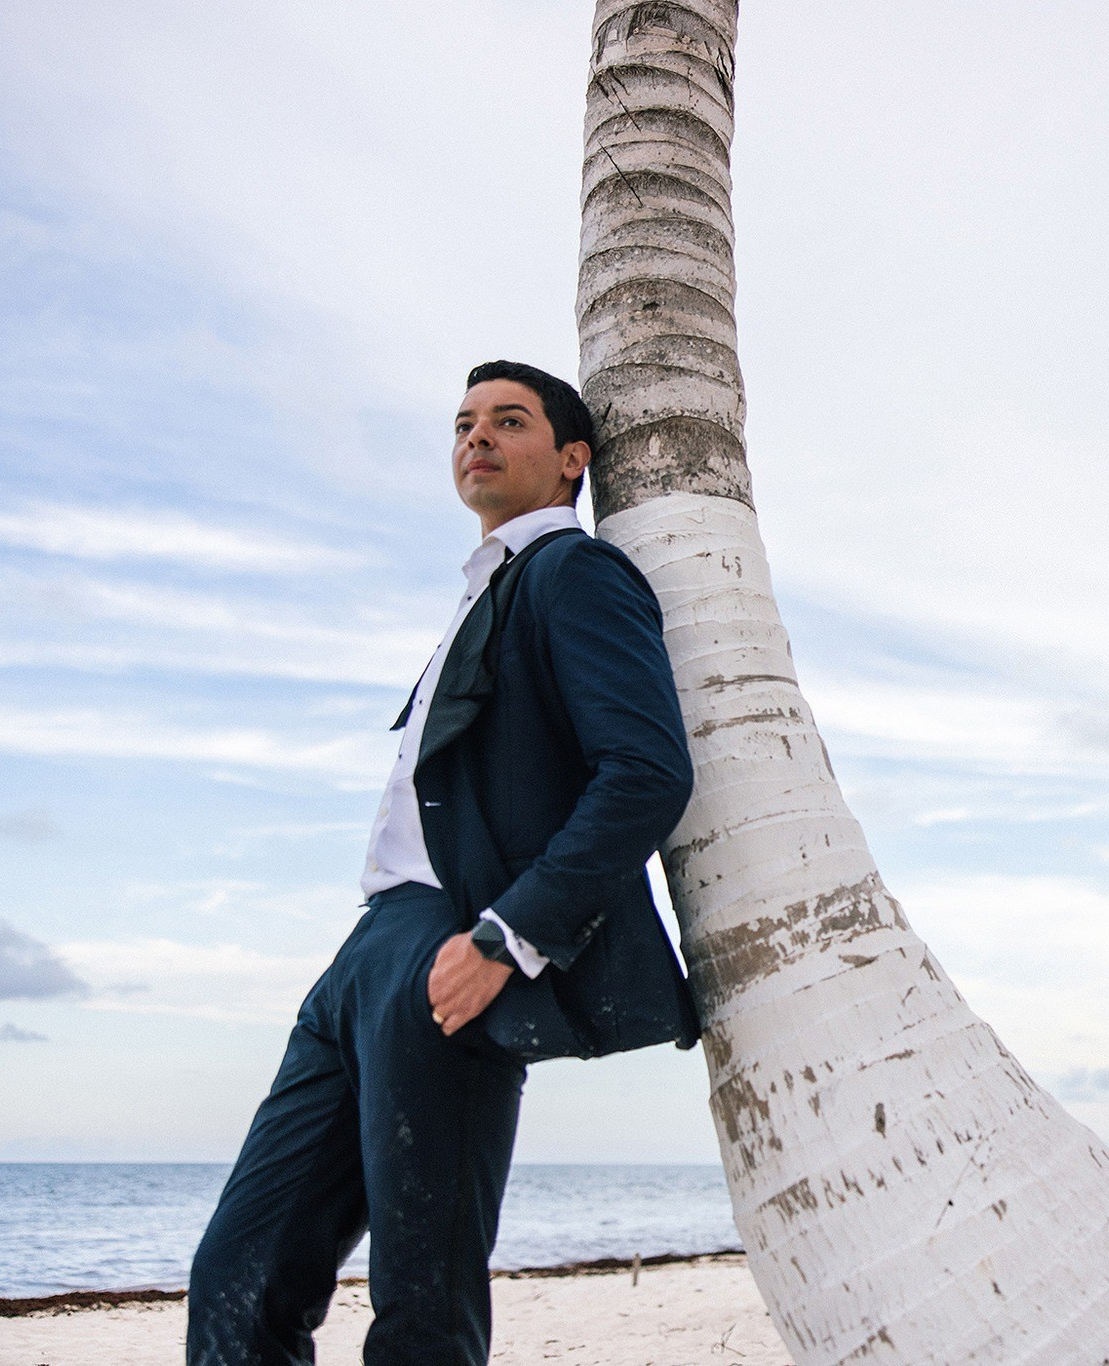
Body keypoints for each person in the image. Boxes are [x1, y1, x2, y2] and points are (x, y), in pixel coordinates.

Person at [188, 361, 699, 1364]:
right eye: (464, 424)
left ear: (572, 458)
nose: (476, 438)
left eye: (509, 421)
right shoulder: (482, 593)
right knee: (239, 1277)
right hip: (365, 954)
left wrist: (506, 937)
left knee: (422, 1307)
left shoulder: (572, 574)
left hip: (452, 945)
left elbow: (646, 771)